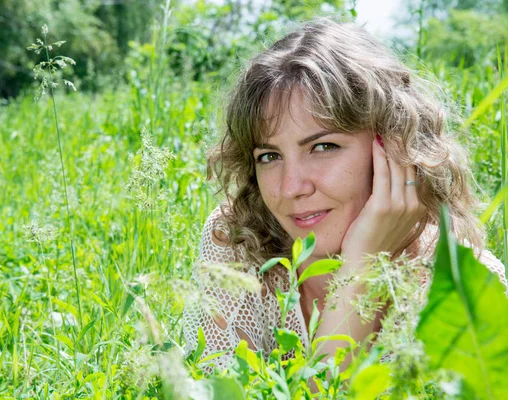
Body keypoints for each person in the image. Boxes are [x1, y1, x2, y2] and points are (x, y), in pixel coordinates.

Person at [182, 18, 507, 372]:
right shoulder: (237, 239)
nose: (291, 187)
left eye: (323, 146)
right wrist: (362, 271)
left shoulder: (464, 285)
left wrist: (363, 266)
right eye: (269, 156)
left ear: (393, 146)